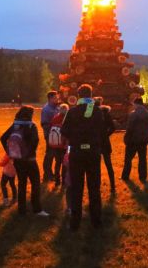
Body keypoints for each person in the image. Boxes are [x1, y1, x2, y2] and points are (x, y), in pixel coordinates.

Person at [61, 84, 105, 231]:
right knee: (94, 188)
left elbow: (64, 130)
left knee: (76, 189)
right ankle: (96, 221)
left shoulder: (72, 112)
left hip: (77, 153)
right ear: (91, 95)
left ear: (79, 96)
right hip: (93, 153)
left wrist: (76, 137)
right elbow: (103, 131)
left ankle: (75, 223)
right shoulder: (98, 112)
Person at [0, 106, 49, 217]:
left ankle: (21, 210)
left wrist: (10, 152)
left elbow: (3, 138)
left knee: (22, 184)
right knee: (35, 184)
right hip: (30, 160)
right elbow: (35, 141)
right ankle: (37, 209)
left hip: (18, 160)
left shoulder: (15, 125)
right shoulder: (32, 126)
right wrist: (28, 154)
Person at [121, 97, 148, 182]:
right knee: (142, 159)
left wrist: (126, 138)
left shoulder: (133, 114)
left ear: (136, 104)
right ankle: (143, 177)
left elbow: (129, 128)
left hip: (133, 140)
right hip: (143, 140)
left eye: (134, 104)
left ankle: (125, 176)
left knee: (128, 159)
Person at [95, 97, 116, 194]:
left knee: (96, 166)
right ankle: (113, 186)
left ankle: (97, 186)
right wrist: (106, 135)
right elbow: (113, 127)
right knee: (109, 165)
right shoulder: (106, 113)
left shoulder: (93, 114)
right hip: (105, 142)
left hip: (95, 142)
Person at [40, 91, 60, 182]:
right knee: (49, 155)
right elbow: (44, 124)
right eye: (55, 97)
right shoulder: (46, 109)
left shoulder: (57, 107)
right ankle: (47, 174)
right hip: (50, 136)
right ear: (50, 98)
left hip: (58, 135)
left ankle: (54, 175)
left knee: (57, 155)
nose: (57, 99)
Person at [48, 103, 69, 187]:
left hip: (55, 145)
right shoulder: (68, 119)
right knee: (66, 163)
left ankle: (57, 181)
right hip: (66, 145)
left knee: (57, 163)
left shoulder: (55, 118)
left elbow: (51, 127)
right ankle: (64, 181)